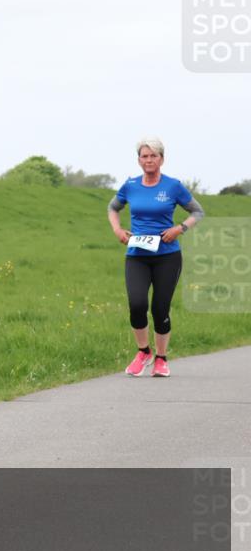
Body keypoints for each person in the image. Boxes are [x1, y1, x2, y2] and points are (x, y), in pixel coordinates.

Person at [107, 136, 204, 377]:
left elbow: (197, 211)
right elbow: (113, 208)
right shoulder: (130, 185)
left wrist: (179, 229)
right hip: (137, 255)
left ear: (162, 158)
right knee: (137, 304)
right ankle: (143, 352)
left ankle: (161, 358)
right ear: (138, 160)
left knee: (160, 308)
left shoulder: (173, 186)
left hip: (167, 256)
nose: (148, 160)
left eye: (153, 156)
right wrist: (118, 230)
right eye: (144, 156)